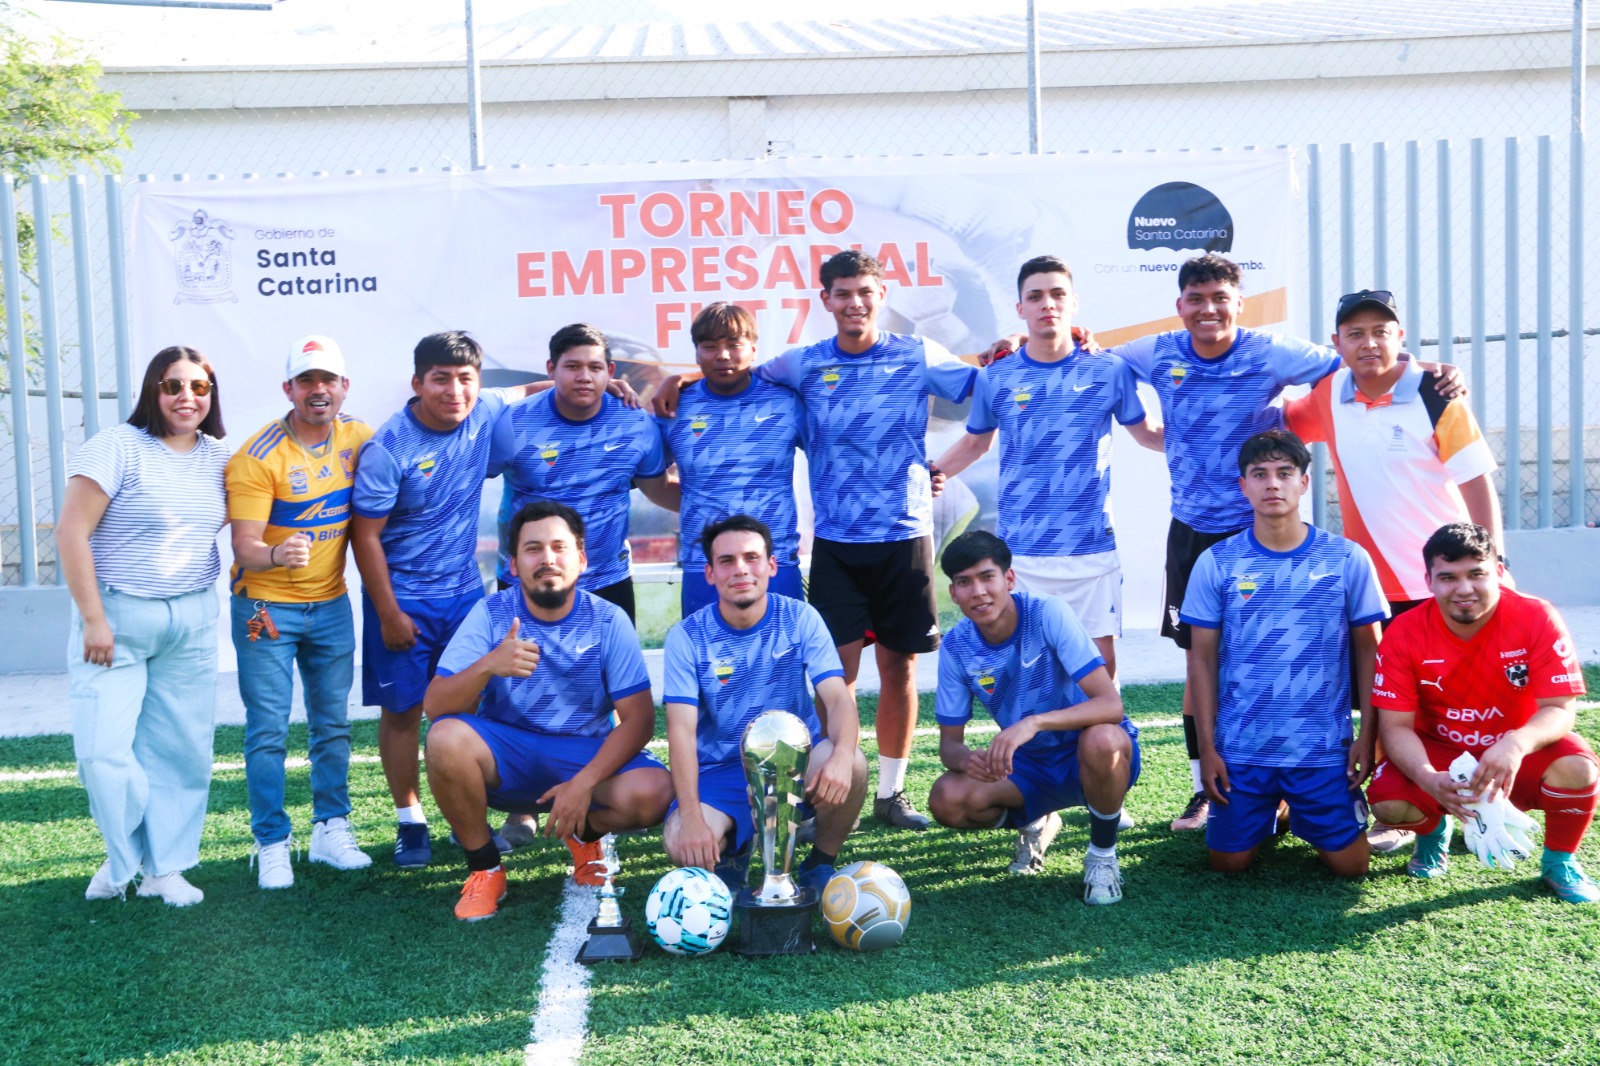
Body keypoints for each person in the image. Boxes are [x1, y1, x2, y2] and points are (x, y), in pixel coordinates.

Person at [990, 254, 1459, 832]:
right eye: (1196, 299)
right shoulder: (1156, 352)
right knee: (1200, 662)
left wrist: (1419, 366)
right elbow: (1083, 351)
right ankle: (1203, 788)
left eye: (1220, 298)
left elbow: (1357, 357)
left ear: (1240, 303)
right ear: (1180, 306)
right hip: (1193, 533)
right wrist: (1028, 336)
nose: (1208, 309)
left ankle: (1321, 780)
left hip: (1266, 533)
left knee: (1301, 658)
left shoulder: (1271, 352)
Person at [655, 250, 979, 830]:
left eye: (865, 292)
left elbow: (990, 388)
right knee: (835, 677)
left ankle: (883, 790)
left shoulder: (911, 356)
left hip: (903, 537)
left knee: (899, 669)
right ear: (825, 299)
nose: (854, 303)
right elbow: (716, 383)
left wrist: (945, 466)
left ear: (882, 295)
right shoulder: (795, 370)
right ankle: (761, 789)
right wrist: (671, 377)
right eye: (843, 293)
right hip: (830, 544)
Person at [422, 500, 673, 921]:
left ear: (581, 559)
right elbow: (435, 707)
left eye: (559, 547)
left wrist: (584, 783)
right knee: (445, 739)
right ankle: (485, 869)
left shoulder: (609, 620)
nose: (548, 559)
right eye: (533, 549)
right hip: (509, 757)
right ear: (514, 565)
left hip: (582, 755)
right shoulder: (490, 613)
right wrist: (488, 665)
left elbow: (640, 721)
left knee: (656, 792)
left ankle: (583, 834)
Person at [350, 331, 542, 869]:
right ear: (417, 383)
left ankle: (472, 816)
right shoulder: (388, 448)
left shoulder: (483, 410)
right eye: (441, 379)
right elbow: (365, 536)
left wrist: (600, 382)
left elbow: (532, 390)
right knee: (404, 710)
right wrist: (388, 611)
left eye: (465, 379)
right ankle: (409, 821)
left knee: (477, 704)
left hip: (464, 598)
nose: (454, 391)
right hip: (403, 601)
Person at [934, 255, 1162, 683]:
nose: (1047, 304)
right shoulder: (995, 377)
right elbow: (974, 443)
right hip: (1024, 552)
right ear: (1020, 308)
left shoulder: (1109, 370)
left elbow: (1147, 433)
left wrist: (1210, 443)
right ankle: (1037, 749)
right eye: (1035, 296)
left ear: (1074, 302)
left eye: (1058, 294)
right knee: (1030, 670)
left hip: (1090, 546)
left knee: (1099, 670)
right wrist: (927, 476)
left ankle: (1099, 749)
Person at [57, 347, 230, 906]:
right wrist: (93, 620)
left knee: (181, 750)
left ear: (212, 394)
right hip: (116, 620)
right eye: (173, 385)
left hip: (193, 619)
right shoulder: (117, 447)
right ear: (152, 391)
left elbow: (241, 536)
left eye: (199, 388)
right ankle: (123, 857)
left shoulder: (223, 458)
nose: (187, 397)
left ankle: (164, 869)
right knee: (102, 752)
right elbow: (70, 532)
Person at [1182, 430, 1388, 878]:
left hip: (1320, 750)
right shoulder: (1217, 563)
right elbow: (1199, 660)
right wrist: (1208, 749)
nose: (1272, 484)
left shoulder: (1347, 559)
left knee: (1351, 867)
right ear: (1243, 486)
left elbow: (1372, 653)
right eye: (1259, 474)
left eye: (1283, 473)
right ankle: (1270, 808)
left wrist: (1367, 737)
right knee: (1227, 866)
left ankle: (1295, 809)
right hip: (1243, 751)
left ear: (1303, 483)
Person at [1368, 522, 1597, 903]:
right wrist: (1427, 777)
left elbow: (1559, 708)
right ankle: (1432, 831)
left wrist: (1517, 742)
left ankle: (1560, 862)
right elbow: (1395, 727)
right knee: (1388, 803)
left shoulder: (1536, 616)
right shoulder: (1405, 631)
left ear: (1500, 572)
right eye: (1448, 577)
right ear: (1428, 580)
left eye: (1477, 574)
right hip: (1438, 750)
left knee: (1578, 768)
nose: (1464, 589)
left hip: (1513, 750)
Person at [227, 335, 374, 890]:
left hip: (331, 605)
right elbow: (243, 546)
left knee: (332, 724)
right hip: (266, 608)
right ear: (288, 388)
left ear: (343, 387)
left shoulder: (357, 435)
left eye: (328, 380)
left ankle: (330, 827)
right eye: (307, 381)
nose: (319, 390)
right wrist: (275, 553)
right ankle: (270, 842)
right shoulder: (257, 457)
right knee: (267, 729)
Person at [661, 514, 868, 895]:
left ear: (771, 566)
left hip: (794, 764)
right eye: (726, 561)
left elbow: (837, 698)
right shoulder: (686, 638)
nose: (740, 569)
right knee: (678, 841)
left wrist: (839, 755)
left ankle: (820, 862)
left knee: (853, 763)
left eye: (751, 558)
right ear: (709, 573)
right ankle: (736, 846)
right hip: (722, 770)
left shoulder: (802, 618)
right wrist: (690, 817)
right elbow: (680, 731)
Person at [929, 530, 1138, 904]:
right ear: (954, 593)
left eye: (986, 577)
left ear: (1008, 579)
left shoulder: (1047, 612)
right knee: (948, 797)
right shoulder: (956, 646)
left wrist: (1033, 722)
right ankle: (1037, 820)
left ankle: (1102, 855)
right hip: (1030, 767)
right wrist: (971, 760)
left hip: (1088, 754)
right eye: (964, 582)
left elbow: (1110, 705)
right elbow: (949, 747)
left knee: (1104, 738)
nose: (977, 591)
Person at [1285, 289, 1505, 615]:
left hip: (1442, 578)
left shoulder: (1438, 392)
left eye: (1380, 332)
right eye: (1356, 334)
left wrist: (1494, 560)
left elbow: (1475, 482)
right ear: (1337, 342)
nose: (1369, 343)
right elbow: (1283, 421)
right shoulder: (1328, 393)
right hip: (1369, 584)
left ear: (1400, 336)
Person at [489, 324, 676, 624]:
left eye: (595, 367)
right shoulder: (513, 423)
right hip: (526, 581)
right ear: (551, 369)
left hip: (607, 581)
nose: (584, 377)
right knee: (523, 671)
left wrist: (721, 500)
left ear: (610, 370)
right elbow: (469, 480)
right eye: (572, 366)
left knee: (609, 672)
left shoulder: (637, 425)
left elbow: (659, 490)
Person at [658, 304, 806, 617]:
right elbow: (650, 480)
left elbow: (835, 456)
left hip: (775, 562)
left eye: (734, 345)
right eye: (710, 347)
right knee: (710, 662)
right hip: (705, 566)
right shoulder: (674, 408)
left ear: (753, 349)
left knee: (784, 663)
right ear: (697, 353)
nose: (722, 355)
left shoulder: (787, 402)